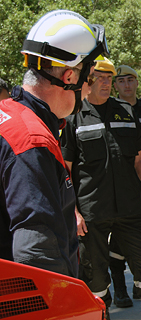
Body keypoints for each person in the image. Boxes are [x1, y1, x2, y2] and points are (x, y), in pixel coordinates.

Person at [0, 9, 105, 277]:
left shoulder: (11, 115)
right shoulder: (31, 139)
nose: (89, 89)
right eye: (89, 78)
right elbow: (36, 250)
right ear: (69, 77)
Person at [61, 58, 141, 320]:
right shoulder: (74, 114)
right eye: (100, 77)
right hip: (91, 213)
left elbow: (140, 157)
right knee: (95, 279)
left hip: (130, 208)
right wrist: (72, 211)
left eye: (110, 78)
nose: (107, 83)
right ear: (88, 80)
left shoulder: (125, 111)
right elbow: (65, 167)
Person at [108, 64, 141, 307]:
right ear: (115, 85)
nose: (126, 84)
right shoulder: (110, 109)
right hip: (123, 185)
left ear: (137, 82)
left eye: (130, 79)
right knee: (119, 241)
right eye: (121, 81)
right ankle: (120, 288)